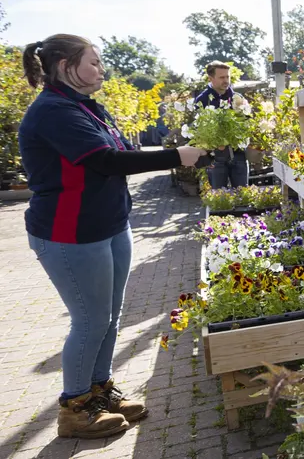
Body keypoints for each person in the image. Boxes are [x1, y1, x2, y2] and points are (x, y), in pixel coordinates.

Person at [19, 34, 206, 439]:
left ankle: (99, 390)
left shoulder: (87, 107)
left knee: (109, 316)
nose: (101, 70)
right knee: (89, 320)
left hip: (109, 227)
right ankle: (75, 408)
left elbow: (121, 153)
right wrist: (177, 156)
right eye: (94, 62)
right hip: (71, 235)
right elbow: (106, 161)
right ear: (65, 66)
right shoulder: (53, 111)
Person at [193, 61, 248, 189]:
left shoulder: (237, 98)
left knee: (243, 193)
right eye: (222, 77)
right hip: (216, 157)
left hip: (238, 154)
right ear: (211, 78)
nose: (226, 80)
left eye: (227, 77)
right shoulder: (202, 100)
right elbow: (199, 129)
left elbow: (247, 122)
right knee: (218, 195)